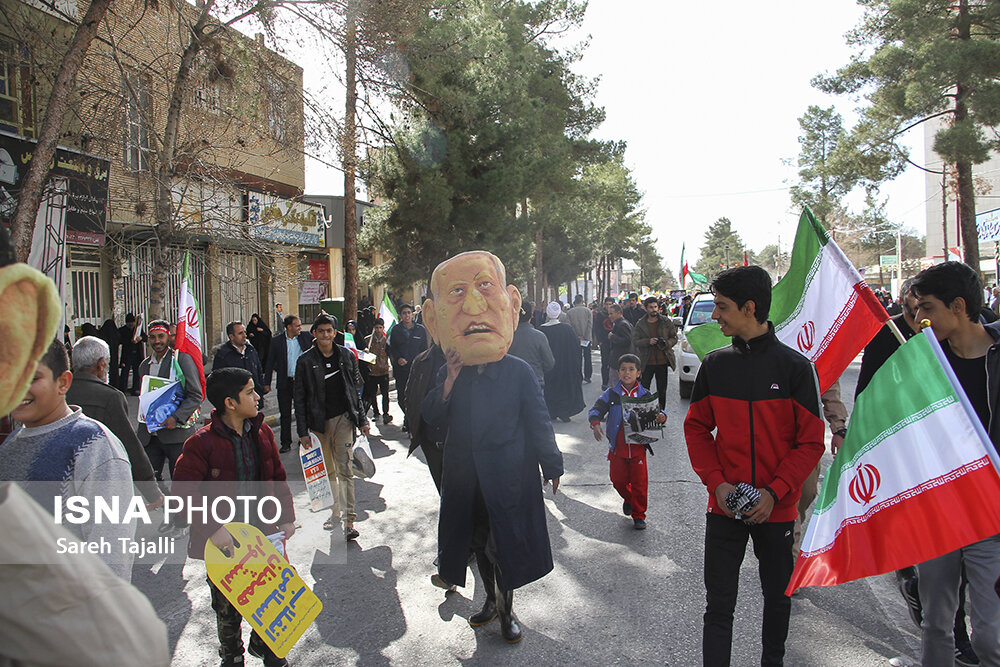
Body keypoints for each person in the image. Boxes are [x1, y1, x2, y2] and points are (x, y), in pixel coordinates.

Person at [684, 265, 824, 667]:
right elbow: (696, 429)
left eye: (722, 308)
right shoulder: (715, 364)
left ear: (749, 308)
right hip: (723, 507)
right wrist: (717, 485)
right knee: (718, 606)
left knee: (777, 602)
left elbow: (811, 442)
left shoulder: (796, 369)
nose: (715, 316)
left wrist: (776, 492)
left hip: (777, 510)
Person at [421, 250, 563, 644]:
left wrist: (552, 465)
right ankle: (490, 601)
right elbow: (432, 414)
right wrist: (448, 379)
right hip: (467, 477)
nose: (473, 304)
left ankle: (506, 611)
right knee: (481, 545)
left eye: (485, 287)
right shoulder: (452, 371)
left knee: (503, 546)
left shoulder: (517, 371)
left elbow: (538, 421)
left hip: (509, 476)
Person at [171, 367, 295, 667]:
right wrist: (214, 529)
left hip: (263, 535)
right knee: (228, 610)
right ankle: (232, 655)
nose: (258, 397)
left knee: (271, 601)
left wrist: (287, 516)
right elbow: (183, 493)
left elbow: (277, 476)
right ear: (230, 402)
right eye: (250, 391)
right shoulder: (201, 443)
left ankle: (268, 649)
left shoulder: (262, 431)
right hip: (224, 544)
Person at [909, 261, 1000, 667]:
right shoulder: (924, 362)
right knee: (936, 623)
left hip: (991, 516)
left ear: (959, 306)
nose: (919, 319)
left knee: (992, 637)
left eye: (926, 307)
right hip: (939, 511)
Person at [0, 340, 136, 579]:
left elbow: (112, 550)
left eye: (32, 378)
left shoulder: (94, 445)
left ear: (63, 382)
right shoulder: (11, 445)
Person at [294, 314, 369, 541]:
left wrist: (362, 420)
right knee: (328, 473)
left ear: (335, 333)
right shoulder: (305, 361)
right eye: (321, 331)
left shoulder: (346, 356)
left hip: (343, 420)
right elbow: (299, 398)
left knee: (344, 469)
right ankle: (335, 511)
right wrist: (302, 432)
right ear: (314, 334)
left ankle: (348, 521)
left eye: (329, 331)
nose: (325, 335)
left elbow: (355, 391)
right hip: (318, 425)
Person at [67, 336, 163, 507]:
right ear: (101, 364)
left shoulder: (59, 393)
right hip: (99, 489)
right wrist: (152, 492)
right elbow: (129, 445)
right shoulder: (110, 397)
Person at [137, 319, 203, 533]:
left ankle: (182, 521)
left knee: (180, 482)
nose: (157, 341)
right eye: (153, 337)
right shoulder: (143, 366)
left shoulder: (180, 361)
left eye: (161, 336)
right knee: (149, 478)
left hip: (175, 434)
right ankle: (170, 512)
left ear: (168, 338)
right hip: (150, 434)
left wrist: (177, 417)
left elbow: (195, 395)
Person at [589, 353, 667, 530]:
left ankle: (639, 515)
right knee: (617, 480)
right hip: (618, 447)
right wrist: (595, 424)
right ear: (618, 372)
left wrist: (663, 417)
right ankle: (629, 498)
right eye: (623, 369)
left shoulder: (645, 394)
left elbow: (658, 414)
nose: (627, 373)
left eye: (631, 369)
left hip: (638, 447)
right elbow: (596, 410)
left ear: (638, 373)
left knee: (640, 483)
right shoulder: (611, 394)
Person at [263, 314, 314, 453]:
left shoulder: (305, 337)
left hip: (302, 383)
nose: (300, 328)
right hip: (285, 382)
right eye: (297, 325)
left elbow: (320, 337)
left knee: (302, 412)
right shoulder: (277, 342)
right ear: (289, 327)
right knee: (285, 414)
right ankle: (285, 442)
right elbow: (270, 362)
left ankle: (303, 438)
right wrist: (266, 383)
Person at [405, 342, 448, 491]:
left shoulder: (468, 360)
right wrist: (411, 425)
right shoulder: (422, 361)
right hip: (431, 442)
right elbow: (411, 395)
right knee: (442, 491)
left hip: (459, 444)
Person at [539, 301, 585, 422]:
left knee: (550, 389)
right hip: (565, 367)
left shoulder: (541, 330)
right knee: (563, 389)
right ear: (559, 314)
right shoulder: (567, 329)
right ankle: (564, 412)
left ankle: (551, 411)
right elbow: (576, 349)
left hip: (548, 368)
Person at [632, 296, 678, 411]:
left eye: (655, 307)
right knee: (644, 390)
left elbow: (674, 338)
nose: (654, 310)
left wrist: (666, 343)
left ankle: (661, 414)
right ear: (646, 308)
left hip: (662, 361)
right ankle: (643, 413)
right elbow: (635, 340)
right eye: (651, 307)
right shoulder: (641, 323)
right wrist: (648, 341)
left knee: (662, 390)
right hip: (647, 362)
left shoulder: (665, 321)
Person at [388, 303, 428, 431]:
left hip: (416, 370)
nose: (407, 315)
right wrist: (398, 358)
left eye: (409, 313)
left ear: (412, 314)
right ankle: (408, 415)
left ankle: (412, 420)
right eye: (404, 313)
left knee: (416, 395)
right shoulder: (396, 330)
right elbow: (391, 348)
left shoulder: (420, 330)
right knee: (401, 397)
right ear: (400, 315)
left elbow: (424, 349)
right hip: (401, 370)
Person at [213, 321, 266, 405]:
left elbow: (259, 370)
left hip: (254, 401)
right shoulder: (223, 355)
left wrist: (261, 389)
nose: (245, 335)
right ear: (231, 336)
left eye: (245, 332)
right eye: (240, 333)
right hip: (236, 404)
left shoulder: (251, 350)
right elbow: (217, 381)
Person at [508, 302, 555, 387]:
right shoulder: (540, 336)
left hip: (512, 382)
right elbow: (549, 363)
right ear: (531, 315)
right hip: (535, 380)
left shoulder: (507, 337)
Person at [364, 318, 392, 423]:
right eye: (376, 328)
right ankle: (376, 413)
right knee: (373, 394)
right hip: (372, 372)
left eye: (380, 328)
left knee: (385, 394)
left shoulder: (387, 340)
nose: (378, 330)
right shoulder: (368, 340)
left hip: (383, 371)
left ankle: (386, 413)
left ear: (383, 328)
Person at [566, 294, 594, 383]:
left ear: (575, 302)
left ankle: (578, 376)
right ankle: (588, 375)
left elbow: (568, 326)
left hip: (575, 339)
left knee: (577, 358)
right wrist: (585, 336)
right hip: (586, 338)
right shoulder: (588, 311)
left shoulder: (570, 312)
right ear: (582, 301)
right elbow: (590, 325)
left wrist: (577, 336)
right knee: (587, 357)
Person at [118, 313, 146, 395]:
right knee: (125, 372)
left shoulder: (138, 330)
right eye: (129, 322)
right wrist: (130, 341)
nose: (131, 324)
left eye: (132, 322)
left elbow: (145, 337)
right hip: (127, 354)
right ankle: (123, 389)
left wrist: (140, 338)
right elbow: (120, 340)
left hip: (137, 354)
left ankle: (135, 389)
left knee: (137, 372)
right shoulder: (122, 330)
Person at [594, 296, 615, 390]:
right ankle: (605, 382)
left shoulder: (616, 314)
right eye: (606, 304)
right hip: (604, 342)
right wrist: (600, 341)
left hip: (614, 342)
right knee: (605, 363)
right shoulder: (600, 315)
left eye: (610, 304)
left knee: (614, 363)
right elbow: (597, 328)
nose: (608, 306)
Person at [607, 303, 635, 370]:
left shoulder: (622, 325)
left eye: (611, 314)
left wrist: (612, 337)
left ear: (619, 313)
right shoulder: (619, 323)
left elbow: (627, 341)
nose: (609, 316)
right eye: (609, 314)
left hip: (621, 359)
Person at [98, 316, 121, 388]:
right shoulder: (116, 334)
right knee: (114, 370)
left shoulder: (102, 334)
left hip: (105, 356)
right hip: (114, 356)